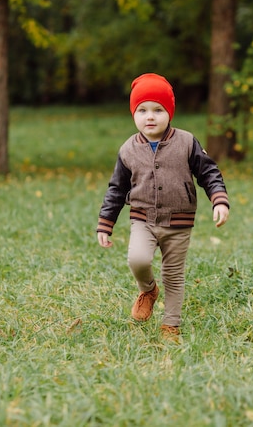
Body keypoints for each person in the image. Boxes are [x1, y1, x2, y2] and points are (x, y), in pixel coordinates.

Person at [96, 73, 230, 339]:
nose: (150, 116)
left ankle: (171, 323)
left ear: (169, 112)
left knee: (174, 274)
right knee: (138, 259)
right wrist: (105, 222)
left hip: (179, 222)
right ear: (133, 114)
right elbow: (117, 188)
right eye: (142, 110)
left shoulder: (187, 142)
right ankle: (148, 289)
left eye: (158, 110)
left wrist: (219, 199)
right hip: (142, 218)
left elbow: (209, 173)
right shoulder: (128, 150)